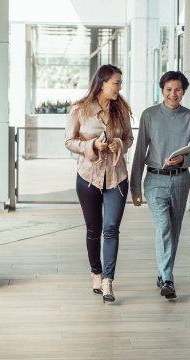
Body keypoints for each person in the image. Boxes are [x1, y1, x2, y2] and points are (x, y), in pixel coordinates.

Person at [130, 71, 190, 300]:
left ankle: (162, 273)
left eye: (178, 90)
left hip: (181, 179)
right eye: (169, 89)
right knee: (164, 227)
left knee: (174, 230)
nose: (173, 94)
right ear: (161, 90)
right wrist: (135, 188)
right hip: (155, 180)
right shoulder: (149, 115)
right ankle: (168, 278)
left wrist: (183, 159)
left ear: (184, 91)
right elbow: (140, 151)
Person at [65, 64, 134, 303]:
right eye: (116, 82)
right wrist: (93, 145)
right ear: (102, 83)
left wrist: (119, 145)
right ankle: (96, 272)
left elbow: (129, 138)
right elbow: (69, 141)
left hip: (117, 177)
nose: (119, 87)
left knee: (111, 228)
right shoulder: (80, 110)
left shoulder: (121, 110)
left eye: (120, 83)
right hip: (88, 177)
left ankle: (107, 281)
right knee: (94, 230)